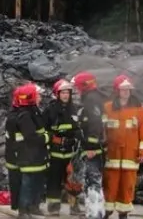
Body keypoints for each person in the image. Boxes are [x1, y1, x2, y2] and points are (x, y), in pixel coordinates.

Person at [102, 75, 143, 219]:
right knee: (110, 184)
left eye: (128, 89)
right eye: (123, 90)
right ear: (117, 90)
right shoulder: (108, 107)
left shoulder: (139, 108)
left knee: (128, 185)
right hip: (112, 154)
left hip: (131, 155)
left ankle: (123, 213)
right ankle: (107, 211)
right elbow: (101, 130)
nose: (126, 92)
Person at [9, 83, 49, 219]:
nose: (40, 97)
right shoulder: (24, 116)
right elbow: (31, 137)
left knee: (37, 182)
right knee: (28, 183)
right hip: (28, 156)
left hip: (36, 155)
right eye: (38, 95)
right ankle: (23, 211)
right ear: (31, 97)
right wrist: (47, 137)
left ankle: (33, 207)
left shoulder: (32, 112)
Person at [71, 71, 107, 219]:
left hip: (93, 148)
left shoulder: (91, 99)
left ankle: (93, 215)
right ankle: (98, 213)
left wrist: (91, 146)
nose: (76, 89)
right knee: (95, 180)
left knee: (91, 182)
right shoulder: (95, 97)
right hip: (97, 146)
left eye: (77, 86)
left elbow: (94, 123)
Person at [44, 79, 81, 216]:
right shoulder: (50, 110)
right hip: (55, 151)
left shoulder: (74, 109)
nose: (66, 95)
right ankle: (53, 208)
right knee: (54, 180)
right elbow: (44, 129)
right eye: (63, 92)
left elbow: (78, 127)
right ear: (57, 94)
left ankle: (74, 206)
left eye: (68, 92)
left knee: (72, 180)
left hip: (71, 152)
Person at [5, 86, 23, 212]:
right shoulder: (16, 117)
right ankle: (18, 206)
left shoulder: (16, 115)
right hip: (16, 155)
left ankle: (18, 205)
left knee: (18, 181)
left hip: (15, 154)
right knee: (17, 181)